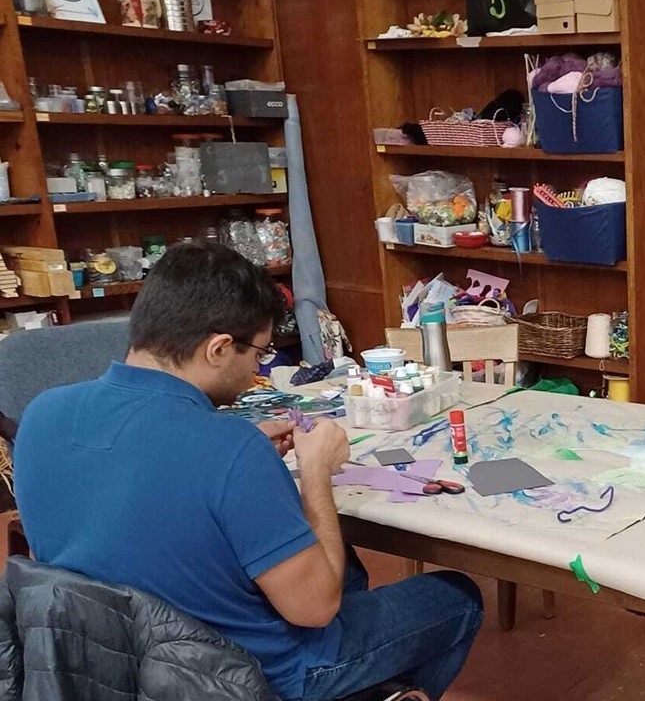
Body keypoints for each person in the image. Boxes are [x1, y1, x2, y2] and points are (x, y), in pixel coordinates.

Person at [14, 242, 484, 701]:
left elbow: (127, 498)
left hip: (108, 659)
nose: (257, 374)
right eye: (259, 355)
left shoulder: (42, 414)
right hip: (243, 675)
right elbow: (316, 610)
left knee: (350, 569)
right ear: (219, 348)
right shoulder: (229, 448)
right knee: (456, 595)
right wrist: (315, 472)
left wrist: (237, 460)